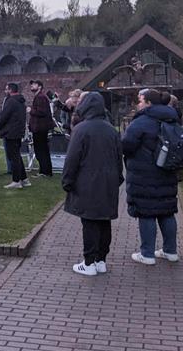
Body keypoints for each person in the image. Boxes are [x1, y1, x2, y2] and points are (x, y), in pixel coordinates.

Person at [62, 93, 125, 276]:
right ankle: (100, 260)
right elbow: (118, 157)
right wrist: (118, 178)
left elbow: (72, 158)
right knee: (104, 221)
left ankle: (89, 262)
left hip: (88, 182)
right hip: (108, 182)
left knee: (89, 222)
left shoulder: (81, 129)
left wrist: (67, 181)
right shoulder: (111, 130)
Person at [123, 88, 180, 265]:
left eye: (140, 100)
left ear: (148, 103)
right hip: (167, 170)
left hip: (144, 173)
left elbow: (126, 145)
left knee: (146, 212)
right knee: (167, 211)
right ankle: (171, 250)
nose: (138, 104)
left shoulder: (141, 122)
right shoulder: (172, 119)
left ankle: (147, 253)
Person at [0, 83, 28, 189]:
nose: (5, 91)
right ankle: (24, 178)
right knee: (17, 155)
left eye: (6, 89)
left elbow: (4, 116)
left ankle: (16, 181)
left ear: (10, 90)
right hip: (18, 131)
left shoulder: (11, 101)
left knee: (13, 157)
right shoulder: (21, 101)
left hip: (11, 132)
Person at [28, 80, 54, 177]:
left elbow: (42, 112)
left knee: (41, 150)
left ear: (39, 87)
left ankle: (45, 171)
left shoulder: (41, 97)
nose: (32, 86)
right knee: (41, 150)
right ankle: (44, 171)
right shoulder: (39, 97)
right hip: (39, 128)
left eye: (34, 84)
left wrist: (31, 110)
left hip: (40, 128)